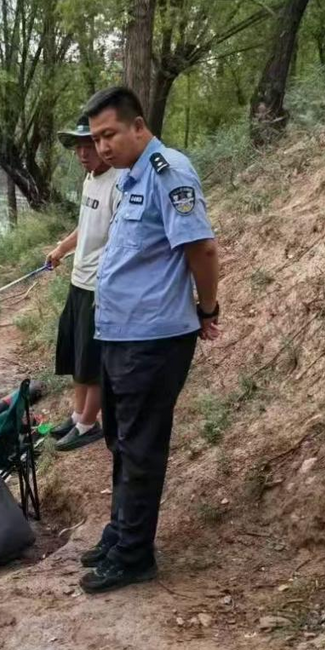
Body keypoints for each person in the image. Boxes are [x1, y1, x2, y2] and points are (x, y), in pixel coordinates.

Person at [77, 86, 221, 595]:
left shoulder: (169, 172)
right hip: (120, 333)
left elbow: (201, 249)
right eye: (97, 137)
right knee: (120, 440)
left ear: (139, 126)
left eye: (110, 133)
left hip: (154, 338)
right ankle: (122, 532)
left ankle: (135, 555)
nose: (104, 145)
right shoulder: (130, 177)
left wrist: (208, 309)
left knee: (140, 447)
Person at [45, 118, 121, 452]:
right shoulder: (91, 179)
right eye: (78, 147)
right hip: (79, 280)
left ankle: (90, 423)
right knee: (77, 352)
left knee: (95, 360)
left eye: (87, 145)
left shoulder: (120, 183)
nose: (82, 153)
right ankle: (77, 416)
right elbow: (85, 225)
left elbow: (121, 240)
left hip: (99, 287)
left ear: (105, 146)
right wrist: (62, 248)